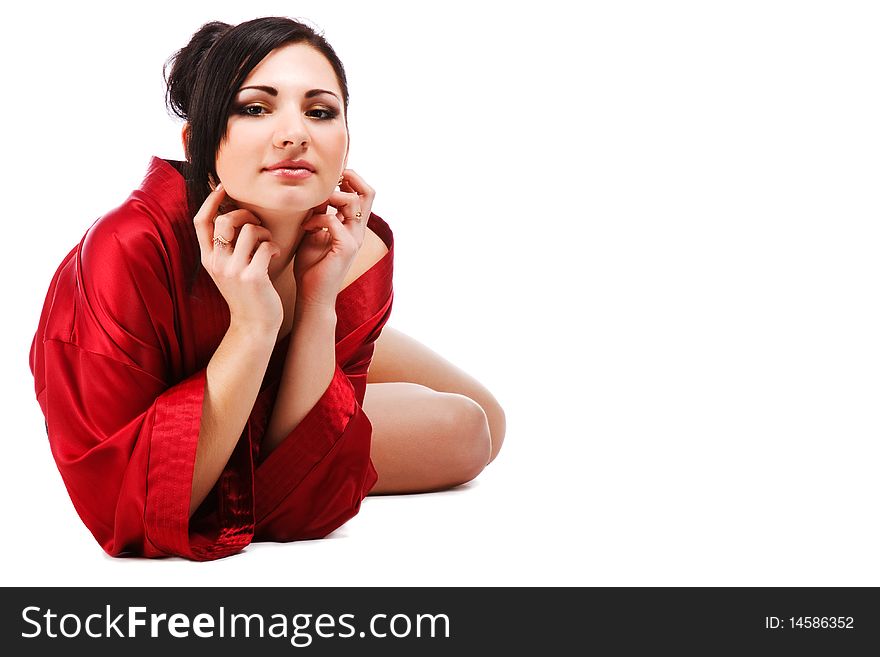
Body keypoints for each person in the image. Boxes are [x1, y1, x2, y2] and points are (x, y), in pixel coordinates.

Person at [29, 17, 505, 560]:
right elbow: (121, 509)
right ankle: (237, 445)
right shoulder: (127, 249)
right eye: (255, 107)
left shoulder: (351, 246)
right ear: (199, 145)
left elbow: (308, 474)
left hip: (290, 344)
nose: (294, 133)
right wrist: (254, 325)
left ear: (346, 144)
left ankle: (254, 425)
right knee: (462, 429)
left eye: (320, 111)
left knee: (491, 418)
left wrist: (320, 303)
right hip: (194, 398)